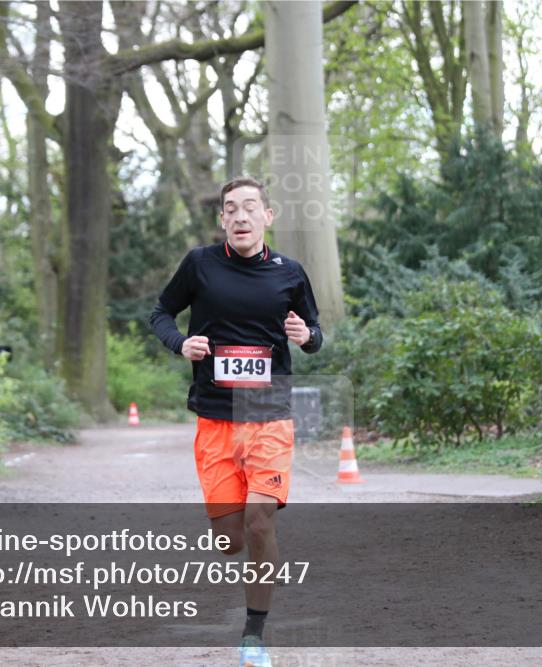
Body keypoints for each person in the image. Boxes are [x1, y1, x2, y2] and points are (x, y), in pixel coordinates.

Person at [150, 176, 323, 667]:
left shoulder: (290, 273)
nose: (241, 216)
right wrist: (180, 343)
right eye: (232, 209)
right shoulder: (200, 265)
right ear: (222, 219)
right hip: (215, 418)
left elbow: (314, 334)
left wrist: (304, 333)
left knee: (259, 517)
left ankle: (254, 636)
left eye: (250, 207)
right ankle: (243, 547)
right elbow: (161, 312)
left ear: (268, 216)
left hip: (269, 413)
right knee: (230, 541)